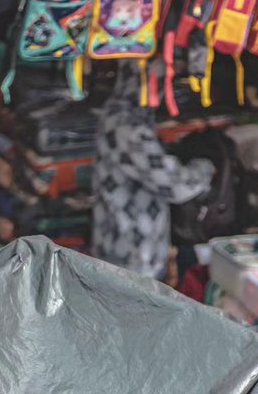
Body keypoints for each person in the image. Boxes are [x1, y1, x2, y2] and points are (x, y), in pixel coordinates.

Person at [92, 63, 214, 281]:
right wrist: (204, 169)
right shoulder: (127, 127)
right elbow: (175, 186)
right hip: (131, 256)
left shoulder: (121, 115)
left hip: (123, 248)